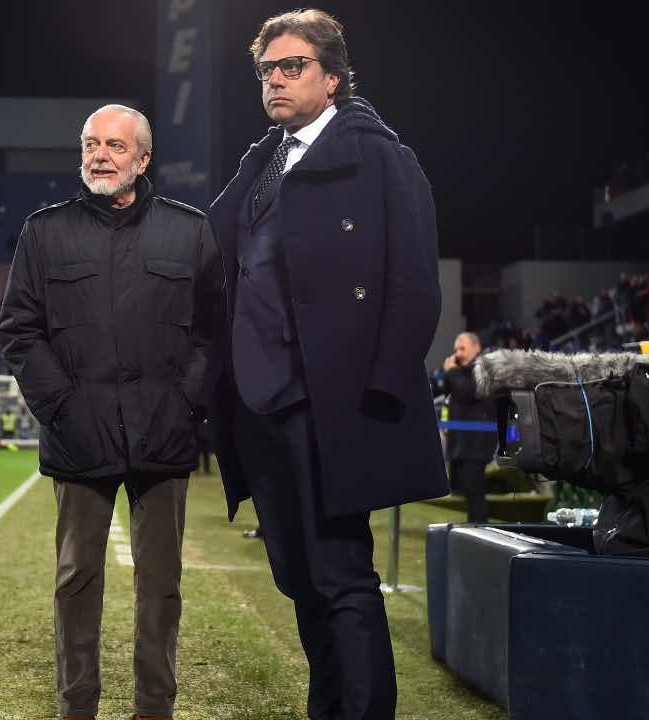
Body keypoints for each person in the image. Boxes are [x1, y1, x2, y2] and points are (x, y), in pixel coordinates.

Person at [207, 9, 448, 720]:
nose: (274, 81)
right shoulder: (263, 162)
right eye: (265, 71)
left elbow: (414, 283)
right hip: (260, 403)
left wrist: (376, 390)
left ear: (333, 78)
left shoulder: (380, 157)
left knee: (343, 577)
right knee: (300, 581)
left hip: (330, 402)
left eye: (291, 67)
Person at [0, 103, 222, 720]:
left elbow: (213, 334)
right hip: (79, 438)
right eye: (91, 144)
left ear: (143, 159)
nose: (100, 155)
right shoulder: (44, 232)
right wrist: (62, 409)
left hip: (163, 436)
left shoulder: (191, 231)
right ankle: (78, 706)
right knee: (76, 582)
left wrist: (185, 406)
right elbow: (19, 329)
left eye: (115, 146)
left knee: (161, 588)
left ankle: (154, 706)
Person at [440, 332, 495, 523]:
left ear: (476, 347)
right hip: (462, 442)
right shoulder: (462, 370)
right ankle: (473, 526)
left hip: (477, 442)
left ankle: (479, 528)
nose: (458, 353)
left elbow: (467, 392)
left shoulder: (484, 367)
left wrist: (452, 372)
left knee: (474, 488)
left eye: (462, 348)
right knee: (463, 486)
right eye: (456, 349)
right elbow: (449, 392)